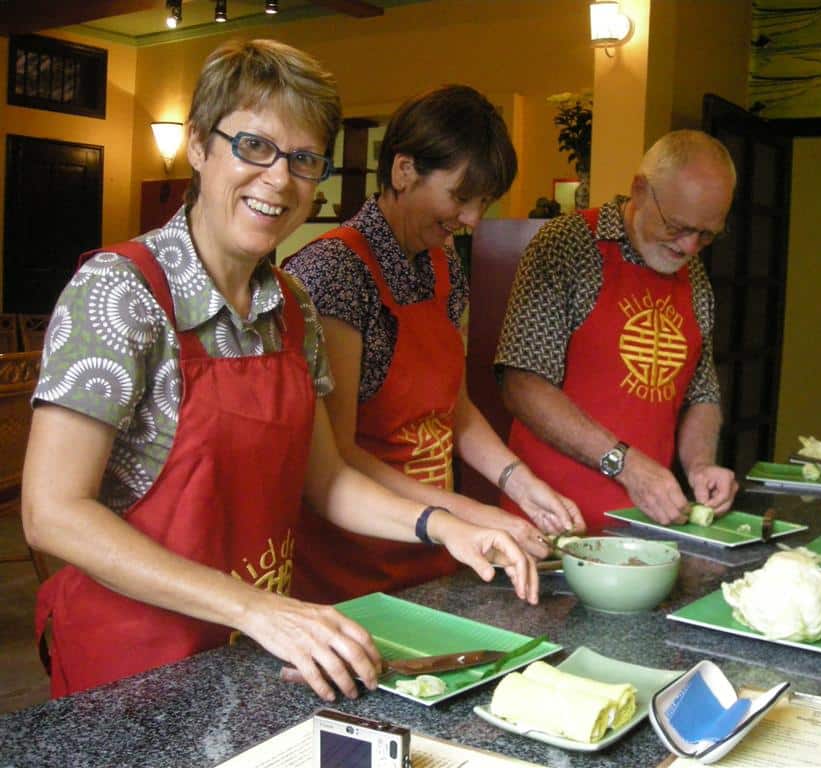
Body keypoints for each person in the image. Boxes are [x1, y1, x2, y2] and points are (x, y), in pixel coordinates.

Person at [22, 40, 537, 702]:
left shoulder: (292, 308)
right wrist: (254, 608)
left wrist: (447, 527)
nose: (280, 180)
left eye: (302, 160)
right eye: (254, 147)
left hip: (254, 660)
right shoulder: (119, 293)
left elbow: (326, 482)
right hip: (134, 669)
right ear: (200, 146)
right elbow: (52, 512)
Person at [284, 84, 583, 604]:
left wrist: (518, 484)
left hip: (433, 549)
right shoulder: (334, 273)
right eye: (461, 197)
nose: (471, 219)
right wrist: (465, 513)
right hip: (350, 565)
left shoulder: (444, 268)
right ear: (403, 171)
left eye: (482, 202)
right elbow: (339, 453)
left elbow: (455, 410)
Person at [495, 130, 740, 532]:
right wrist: (625, 464)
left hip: (644, 526)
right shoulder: (568, 246)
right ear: (640, 190)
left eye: (707, 234)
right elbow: (522, 383)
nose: (690, 247)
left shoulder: (693, 276)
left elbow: (702, 391)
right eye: (677, 226)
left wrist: (700, 465)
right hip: (548, 522)